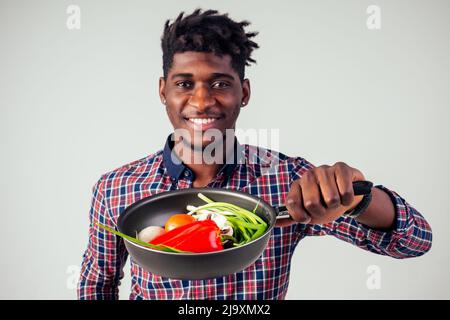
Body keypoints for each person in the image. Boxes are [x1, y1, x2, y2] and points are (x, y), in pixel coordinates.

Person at [77, 9, 432, 300]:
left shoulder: (287, 180)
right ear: (162, 90)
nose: (201, 101)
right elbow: (98, 285)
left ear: (243, 92)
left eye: (220, 84)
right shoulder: (116, 188)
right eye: (184, 84)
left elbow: (414, 242)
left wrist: (359, 199)